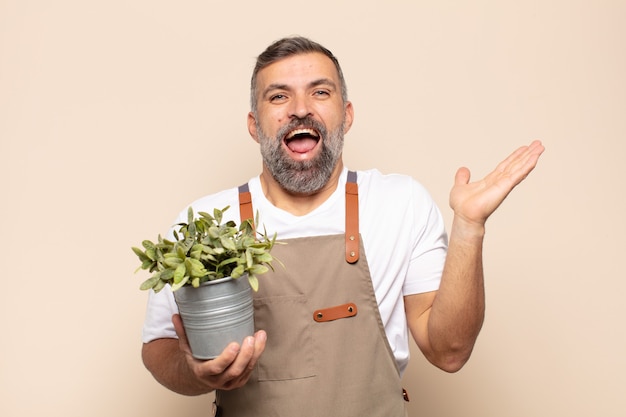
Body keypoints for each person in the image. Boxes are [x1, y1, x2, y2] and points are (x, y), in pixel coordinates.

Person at [141, 36, 545, 416]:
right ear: (254, 124)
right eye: (279, 95)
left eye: (320, 91)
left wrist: (469, 228)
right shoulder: (208, 223)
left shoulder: (399, 203)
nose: (300, 108)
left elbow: (449, 352)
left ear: (346, 115)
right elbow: (159, 346)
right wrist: (193, 372)